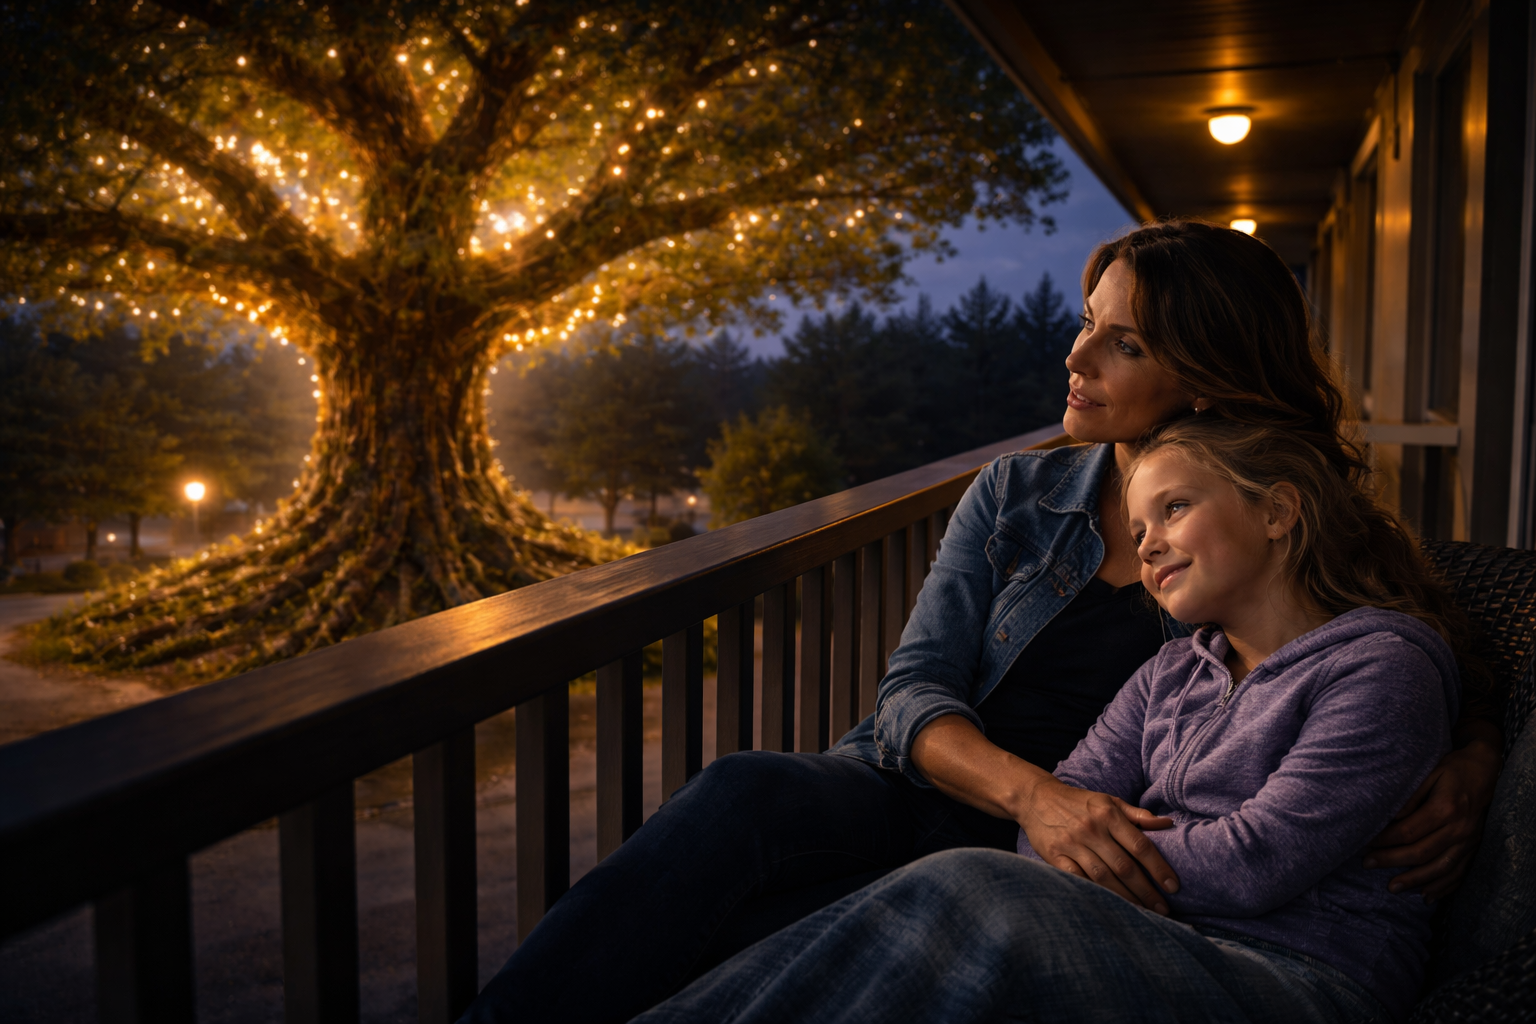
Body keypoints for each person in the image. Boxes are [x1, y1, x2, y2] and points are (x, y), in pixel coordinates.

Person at [458, 221, 1503, 1023]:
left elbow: (1424, 649)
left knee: (803, 936)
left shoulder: (1279, 532)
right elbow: (913, 695)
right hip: (963, 791)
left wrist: (1470, 759)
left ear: (1211, 373)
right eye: (1085, 320)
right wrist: (1039, 801)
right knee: (746, 791)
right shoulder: (1017, 493)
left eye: (1121, 340)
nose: (1076, 356)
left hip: (1105, 862)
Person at [634, 418, 1470, 1024]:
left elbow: (1257, 860)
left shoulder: (1377, 665)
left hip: (1299, 974)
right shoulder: (1174, 668)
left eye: (1175, 510)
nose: (1144, 545)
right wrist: (1089, 841)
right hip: (1160, 937)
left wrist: (1109, 849)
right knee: (931, 884)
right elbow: (1057, 818)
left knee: (973, 887)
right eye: (1138, 526)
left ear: (1278, 511)